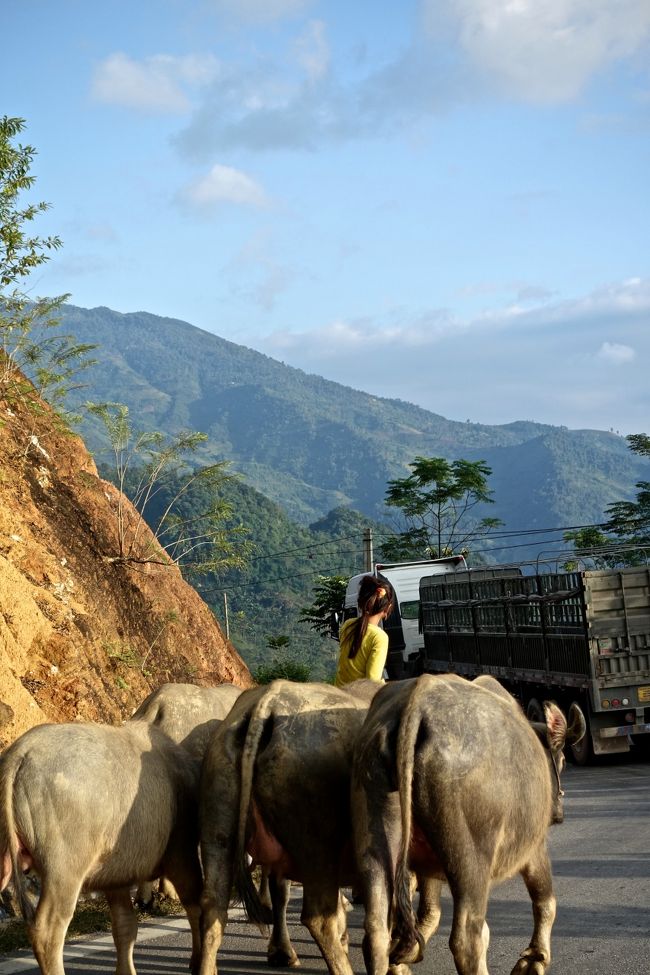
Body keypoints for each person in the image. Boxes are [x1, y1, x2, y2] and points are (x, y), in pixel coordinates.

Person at [334, 575, 395, 687]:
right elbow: (372, 681)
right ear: (388, 607)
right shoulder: (379, 637)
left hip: (339, 692)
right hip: (358, 696)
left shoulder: (347, 625)